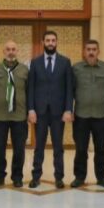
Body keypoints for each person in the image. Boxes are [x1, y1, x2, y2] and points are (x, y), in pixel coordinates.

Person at [27, 30, 74, 189]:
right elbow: (30, 87)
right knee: (39, 146)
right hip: (39, 112)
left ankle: (59, 178)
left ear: (57, 42)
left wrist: (68, 109)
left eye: (53, 40)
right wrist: (31, 109)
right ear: (43, 42)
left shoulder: (65, 62)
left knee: (58, 147)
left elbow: (69, 88)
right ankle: (36, 177)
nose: (50, 43)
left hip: (58, 113)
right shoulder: (35, 62)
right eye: (48, 40)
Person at [70, 40, 104, 188]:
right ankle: (79, 177)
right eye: (88, 49)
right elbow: (70, 91)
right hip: (81, 116)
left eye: (94, 49)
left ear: (98, 51)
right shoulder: (76, 68)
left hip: (101, 116)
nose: (91, 52)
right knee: (81, 149)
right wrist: (69, 110)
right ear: (84, 52)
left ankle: (101, 177)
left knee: (101, 149)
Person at [0, 40, 29, 188]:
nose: (11, 52)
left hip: (19, 116)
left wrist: (30, 111)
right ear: (3, 51)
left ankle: (17, 176)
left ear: (17, 51)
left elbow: (29, 91)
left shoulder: (24, 70)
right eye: (8, 49)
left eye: (13, 49)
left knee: (19, 149)